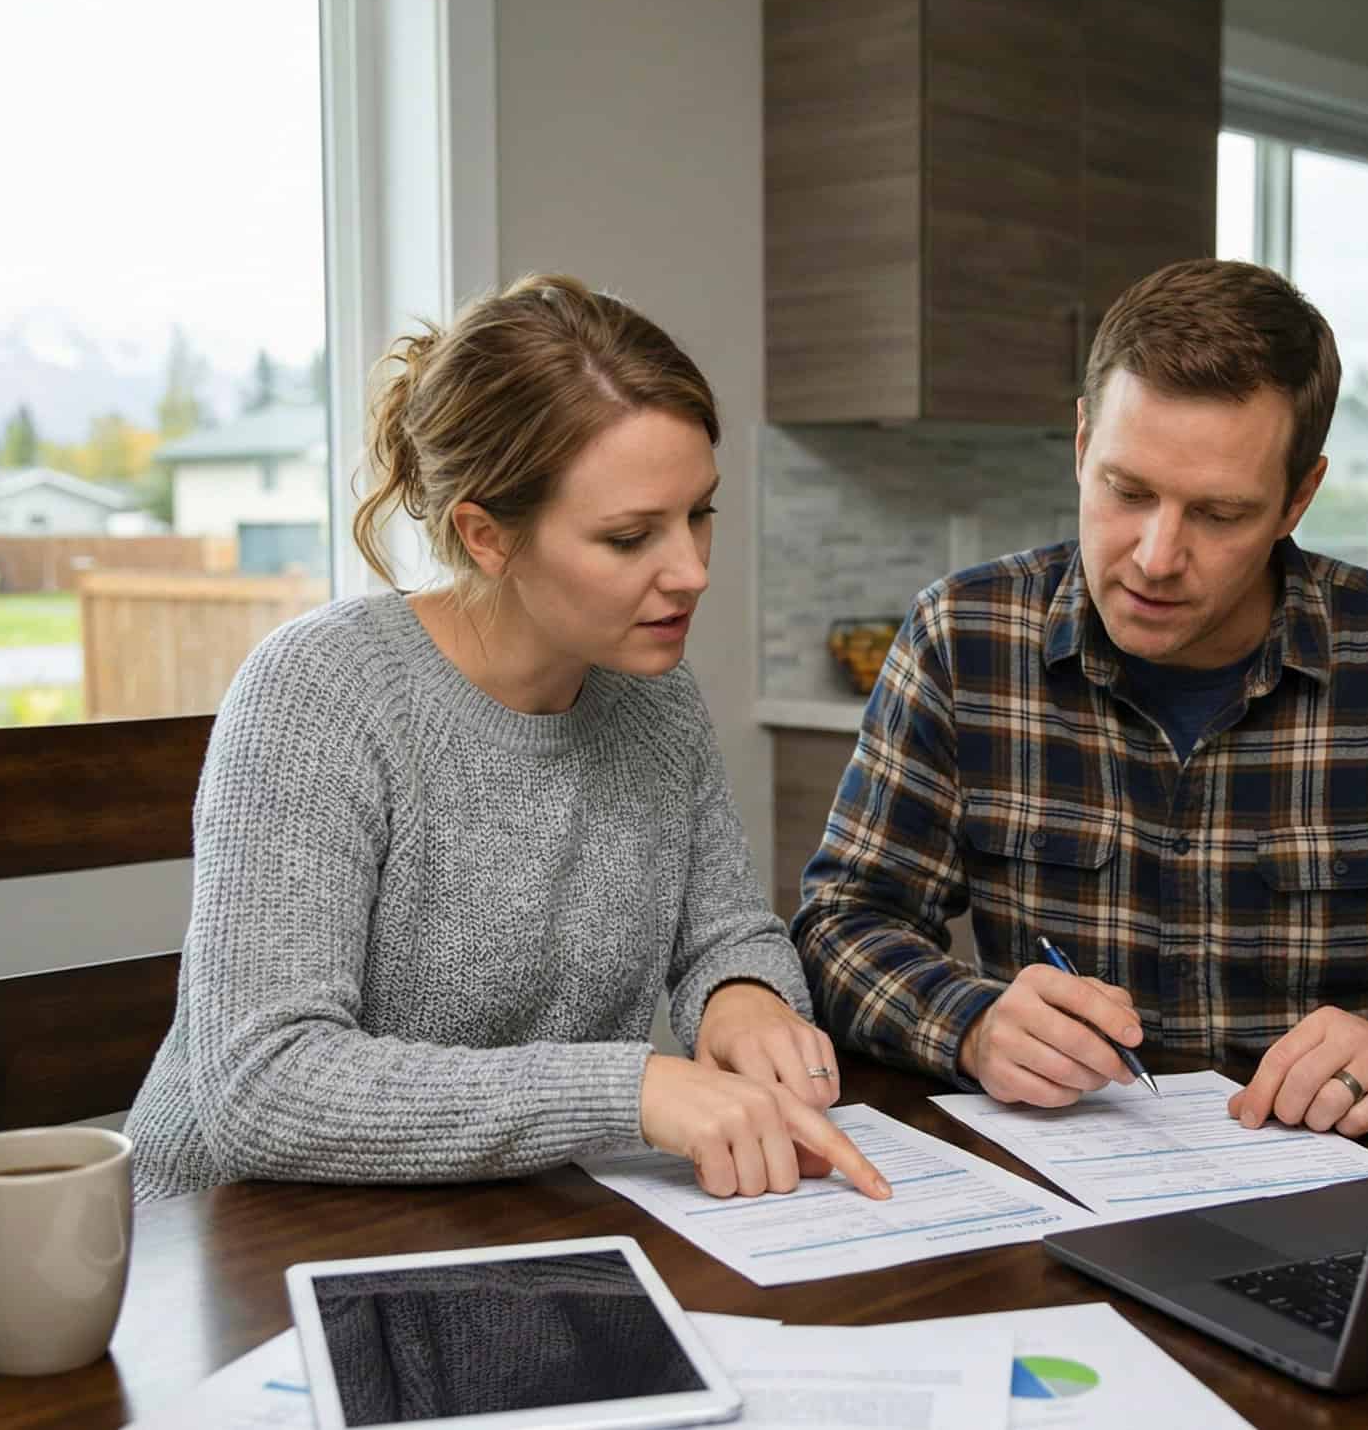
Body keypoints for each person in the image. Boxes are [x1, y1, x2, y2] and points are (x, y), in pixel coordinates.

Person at [791, 258, 1368, 1139]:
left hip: (1342, 1189)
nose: (1154, 556)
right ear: (1079, 447)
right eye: (1126, 491)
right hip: (1065, 1181)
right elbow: (841, 928)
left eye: (1219, 515)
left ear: (1298, 498)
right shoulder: (962, 639)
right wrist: (973, 1023)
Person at [126, 273, 889, 1206]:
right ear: (485, 535)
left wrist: (744, 997)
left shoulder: (656, 698)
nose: (689, 570)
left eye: (701, 514)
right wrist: (633, 1088)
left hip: (499, 1226)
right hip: (233, 1253)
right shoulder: (320, 693)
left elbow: (724, 933)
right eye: (628, 537)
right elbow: (266, 1084)